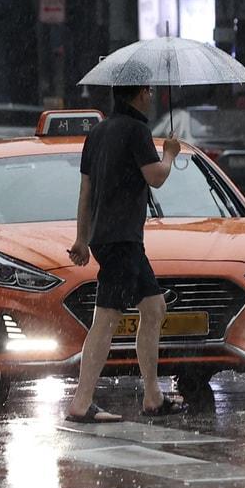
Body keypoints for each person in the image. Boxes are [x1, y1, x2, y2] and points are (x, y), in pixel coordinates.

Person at [64, 84, 187, 422]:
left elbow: (85, 191)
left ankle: (152, 395)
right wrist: (170, 153)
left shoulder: (98, 133)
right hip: (122, 238)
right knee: (106, 317)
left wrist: (82, 238)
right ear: (138, 94)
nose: (150, 95)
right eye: (147, 90)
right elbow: (156, 177)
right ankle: (81, 402)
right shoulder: (136, 130)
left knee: (154, 306)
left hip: (112, 237)